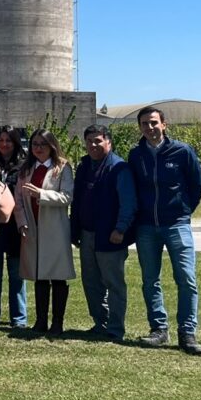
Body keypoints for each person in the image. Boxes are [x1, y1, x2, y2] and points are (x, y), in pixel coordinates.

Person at [129, 106, 201, 356]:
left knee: (186, 278)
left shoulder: (182, 151)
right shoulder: (136, 155)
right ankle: (159, 330)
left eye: (153, 122)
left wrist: (183, 210)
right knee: (150, 280)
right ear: (140, 127)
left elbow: (197, 185)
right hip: (146, 227)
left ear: (164, 124)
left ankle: (187, 332)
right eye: (144, 124)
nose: (149, 128)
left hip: (177, 224)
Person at [71, 125, 136, 342]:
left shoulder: (119, 168)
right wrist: (74, 230)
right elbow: (77, 200)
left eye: (98, 140)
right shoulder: (84, 166)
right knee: (91, 282)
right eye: (89, 141)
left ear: (108, 141)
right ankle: (100, 323)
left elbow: (128, 203)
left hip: (110, 235)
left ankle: (116, 328)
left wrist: (120, 229)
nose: (93, 145)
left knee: (113, 283)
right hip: (87, 234)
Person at [14, 129, 75, 336]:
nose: (38, 148)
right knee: (39, 275)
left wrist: (42, 194)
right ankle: (40, 321)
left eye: (43, 144)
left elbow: (67, 197)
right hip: (33, 228)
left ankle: (57, 323)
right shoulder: (26, 169)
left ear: (52, 146)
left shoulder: (62, 167)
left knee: (57, 276)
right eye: (35, 144)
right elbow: (18, 200)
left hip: (55, 229)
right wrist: (22, 223)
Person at [0, 126, 28, 328]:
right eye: (1, 140)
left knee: (17, 275)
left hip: (15, 227)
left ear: (15, 142)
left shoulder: (24, 166)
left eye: (8, 140)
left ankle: (19, 318)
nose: (4, 144)